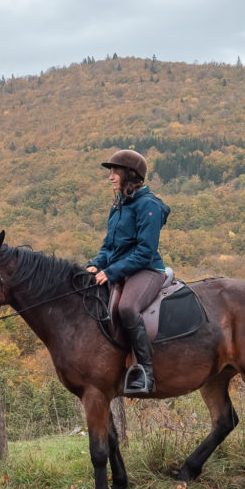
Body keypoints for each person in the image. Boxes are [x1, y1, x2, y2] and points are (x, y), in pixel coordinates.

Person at [85, 149, 170, 395]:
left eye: (115, 172)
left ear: (129, 175)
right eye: (110, 172)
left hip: (147, 270)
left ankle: (145, 372)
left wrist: (111, 272)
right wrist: (97, 263)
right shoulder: (119, 204)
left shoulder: (149, 206)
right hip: (120, 270)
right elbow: (109, 245)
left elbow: (145, 252)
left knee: (127, 308)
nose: (110, 177)